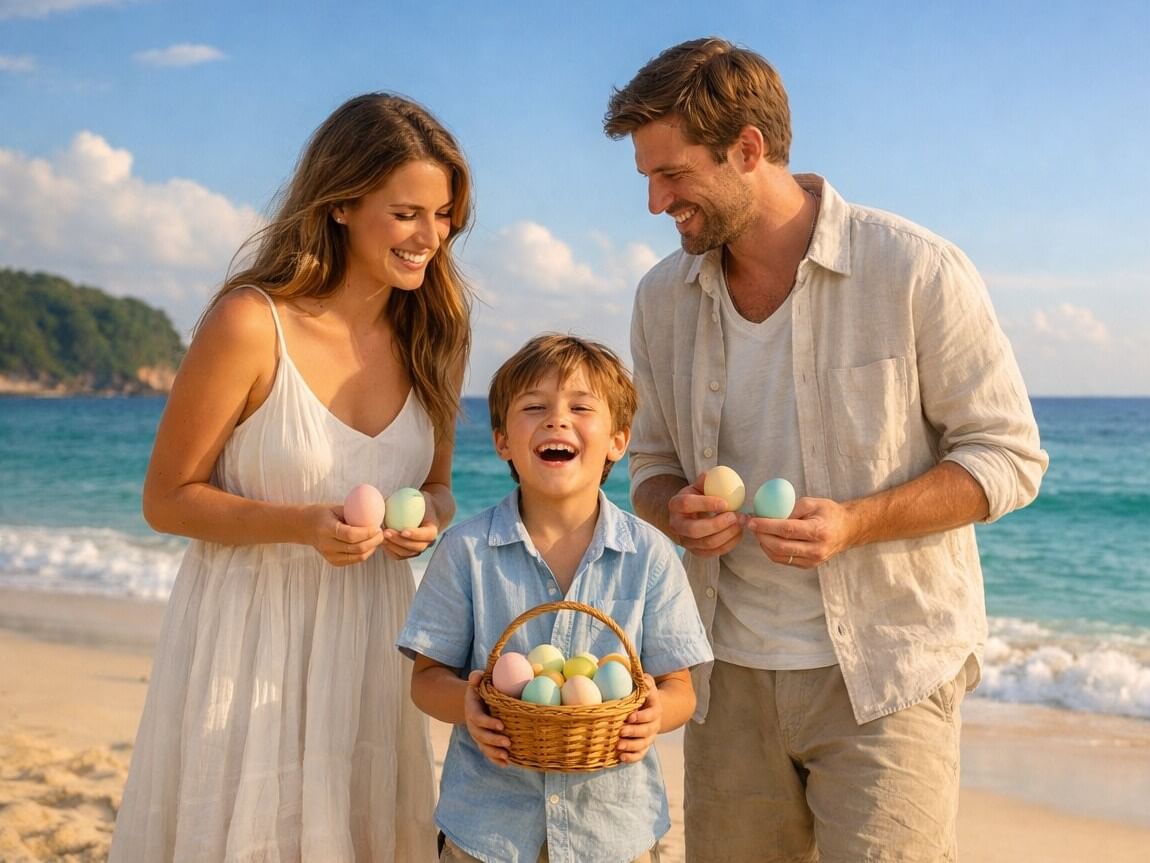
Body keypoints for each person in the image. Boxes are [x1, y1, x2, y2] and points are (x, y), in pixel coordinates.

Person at [603, 38, 1048, 862]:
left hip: (889, 674)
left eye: (672, 175)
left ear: (748, 149)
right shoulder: (661, 298)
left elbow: (1007, 457)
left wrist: (855, 522)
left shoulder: (914, 269)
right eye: (648, 178)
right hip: (725, 678)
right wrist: (673, 508)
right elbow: (650, 464)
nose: (657, 203)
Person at [109, 93, 474, 862]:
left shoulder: (436, 331)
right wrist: (302, 524)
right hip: (249, 636)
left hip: (372, 641)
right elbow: (166, 499)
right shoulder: (250, 322)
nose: (431, 237)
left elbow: (438, 485)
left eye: (443, 216)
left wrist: (427, 522)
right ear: (341, 203)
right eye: (407, 213)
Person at [397, 334, 713, 863]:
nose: (557, 421)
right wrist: (467, 705)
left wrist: (655, 715)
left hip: (613, 833)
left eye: (581, 408)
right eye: (534, 408)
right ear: (502, 441)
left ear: (618, 441)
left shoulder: (650, 554)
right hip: (488, 832)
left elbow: (679, 688)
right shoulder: (466, 550)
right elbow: (427, 681)